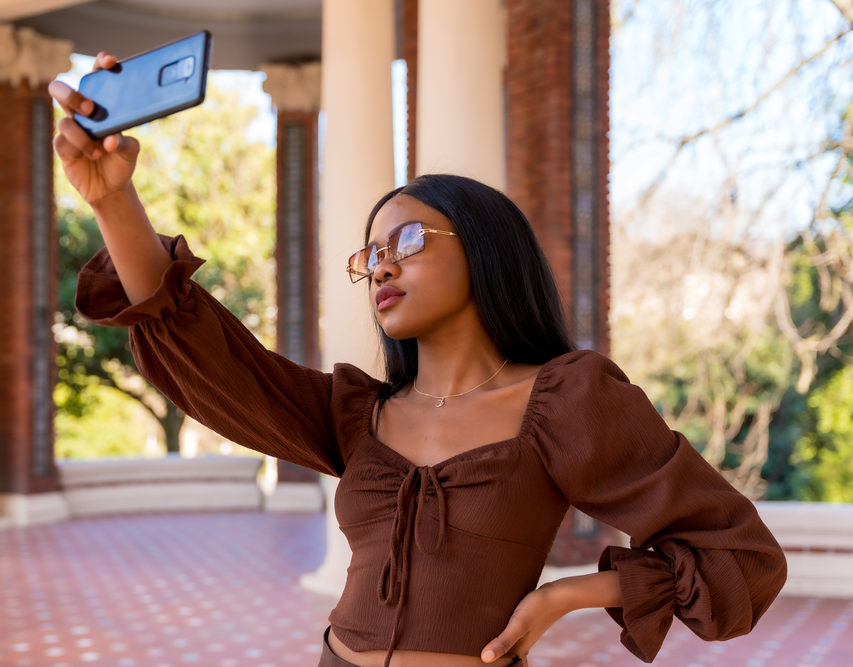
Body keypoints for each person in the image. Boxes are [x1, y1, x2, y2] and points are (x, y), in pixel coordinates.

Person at [49, 53, 787, 667]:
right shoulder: (355, 412)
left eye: (405, 243)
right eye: (369, 254)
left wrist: (564, 595)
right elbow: (204, 348)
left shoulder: (568, 400)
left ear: (486, 250)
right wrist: (113, 200)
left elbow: (741, 557)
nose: (379, 268)